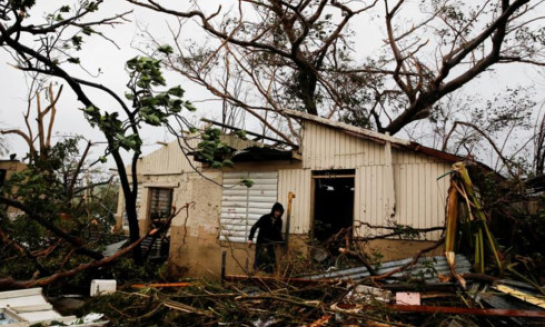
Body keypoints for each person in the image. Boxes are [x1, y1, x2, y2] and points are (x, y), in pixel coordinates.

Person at [247, 202, 284, 273]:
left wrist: (282, 242)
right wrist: (250, 238)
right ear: (273, 210)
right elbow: (254, 227)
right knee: (259, 262)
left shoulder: (279, 221)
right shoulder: (265, 218)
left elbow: (278, 234)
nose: (278, 213)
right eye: (277, 211)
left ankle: (268, 279)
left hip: (271, 244)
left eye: (279, 212)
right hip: (261, 243)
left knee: (271, 264)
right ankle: (257, 277)